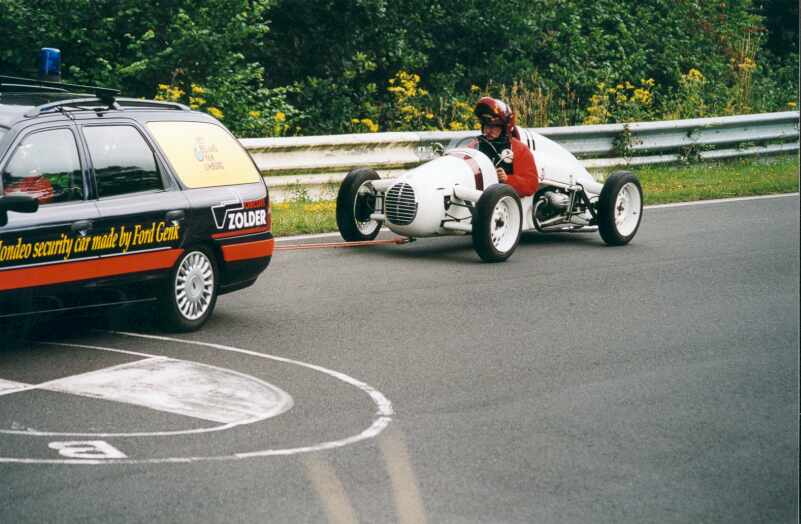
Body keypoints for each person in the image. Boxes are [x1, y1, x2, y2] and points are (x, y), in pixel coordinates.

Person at [473, 97, 539, 197]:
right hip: (476, 199)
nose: (488, 131)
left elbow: (531, 185)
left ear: (504, 128)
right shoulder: (474, 146)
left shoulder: (519, 149)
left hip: (506, 206)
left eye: (494, 126)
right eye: (486, 126)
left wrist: (507, 179)